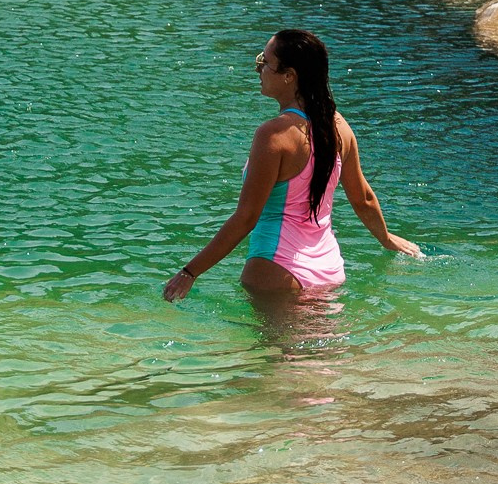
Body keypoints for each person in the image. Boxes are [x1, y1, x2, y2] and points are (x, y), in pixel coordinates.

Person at [163, 28, 424, 304]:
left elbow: (246, 218)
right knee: (323, 348)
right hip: (329, 270)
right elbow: (363, 199)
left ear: (289, 76)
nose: (258, 69)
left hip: (278, 269)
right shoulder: (339, 127)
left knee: (268, 349)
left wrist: (190, 272)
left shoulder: (273, 135)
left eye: (265, 62)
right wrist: (386, 239)